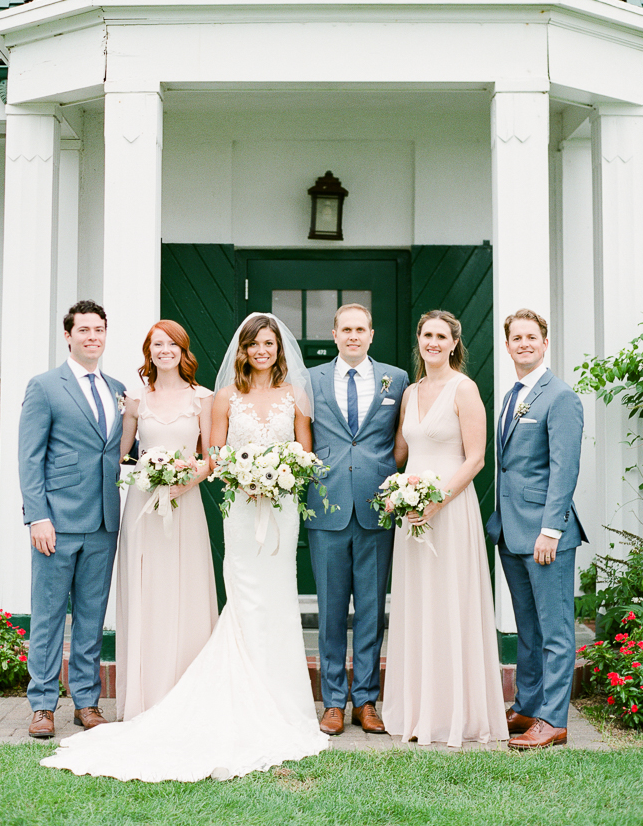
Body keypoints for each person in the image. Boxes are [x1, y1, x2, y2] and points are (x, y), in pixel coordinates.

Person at [41, 312, 328, 781]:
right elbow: (208, 454)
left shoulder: (290, 394)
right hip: (230, 510)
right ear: (243, 350)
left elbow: (304, 452)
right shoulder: (222, 398)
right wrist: (207, 477)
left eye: (269, 344)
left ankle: (284, 701)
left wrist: (279, 479)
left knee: (277, 600)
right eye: (254, 344)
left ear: (278, 350)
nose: (261, 350)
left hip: (279, 509)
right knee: (241, 598)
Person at [382, 310, 507, 747]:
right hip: (411, 514)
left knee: (451, 601)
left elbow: (475, 459)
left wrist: (436, 501)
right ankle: (420, 710)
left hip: (450, 510)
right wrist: (393, 492)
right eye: (426, 334)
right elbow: (400, 451)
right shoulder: (410, 392)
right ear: (418, 340)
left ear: (454, 343)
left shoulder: (464, 389)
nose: (433, 342)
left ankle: (456, 712)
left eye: (441, 336)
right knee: (418, 603)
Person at [18, 300, 126, 740]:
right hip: (57, 522)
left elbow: (116, 451)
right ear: (68, 335)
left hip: (103, 520)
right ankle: (42, 704)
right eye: (84, 330)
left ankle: (86, 700)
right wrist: (37, 516)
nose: (92, 337)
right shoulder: (45, 386)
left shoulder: (116, 386)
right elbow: (30, 457)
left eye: (98, 330)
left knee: (91, 614)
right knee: (47, 615)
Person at [486, 308, 587, 750]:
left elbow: (565, 469)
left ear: (545, 343)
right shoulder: (512, 395)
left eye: (532, 337)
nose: (523, 343)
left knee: (556, 629)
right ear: (507, 345)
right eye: (516, 337)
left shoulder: (560, 396)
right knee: (527, 627)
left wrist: (552, 529)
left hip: (546, 534)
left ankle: (553, 720)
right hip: (511, 531)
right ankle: (527, 706)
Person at [307, 304, 409, 736]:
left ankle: (366, 700)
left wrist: (389, 480)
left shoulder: (397, 379)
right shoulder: (310, 380)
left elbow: (401, 440)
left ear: (372, 334)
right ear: (333, 334)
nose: (352, 335)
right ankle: (333, 701)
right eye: (345, 329)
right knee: (330, 610)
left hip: (376, 506)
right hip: (327, 504)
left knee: (371, 609)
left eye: (360, 329)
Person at [115, 320, 218, 721]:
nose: (165, 351)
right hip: (143, 505)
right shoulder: (136, 400)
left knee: (184, 589)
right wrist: (147, 473)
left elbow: (211, 457)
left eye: (172, 344)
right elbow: (123, 453)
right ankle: (144, 694)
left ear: (182, 350)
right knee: (147, 589)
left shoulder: (202, 398)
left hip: (184, 504)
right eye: (158, 344)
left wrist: (185, 481)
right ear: (149, 351)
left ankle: (185, 692)